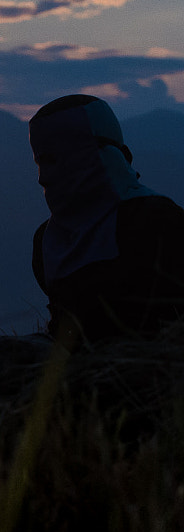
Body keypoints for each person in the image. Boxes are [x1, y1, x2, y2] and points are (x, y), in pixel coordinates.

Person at [28, 94, 184, 347]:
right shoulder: (45, 241)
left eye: (53, 160)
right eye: (39, 163)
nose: (42, 178)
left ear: (91, 155)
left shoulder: (157, 221)